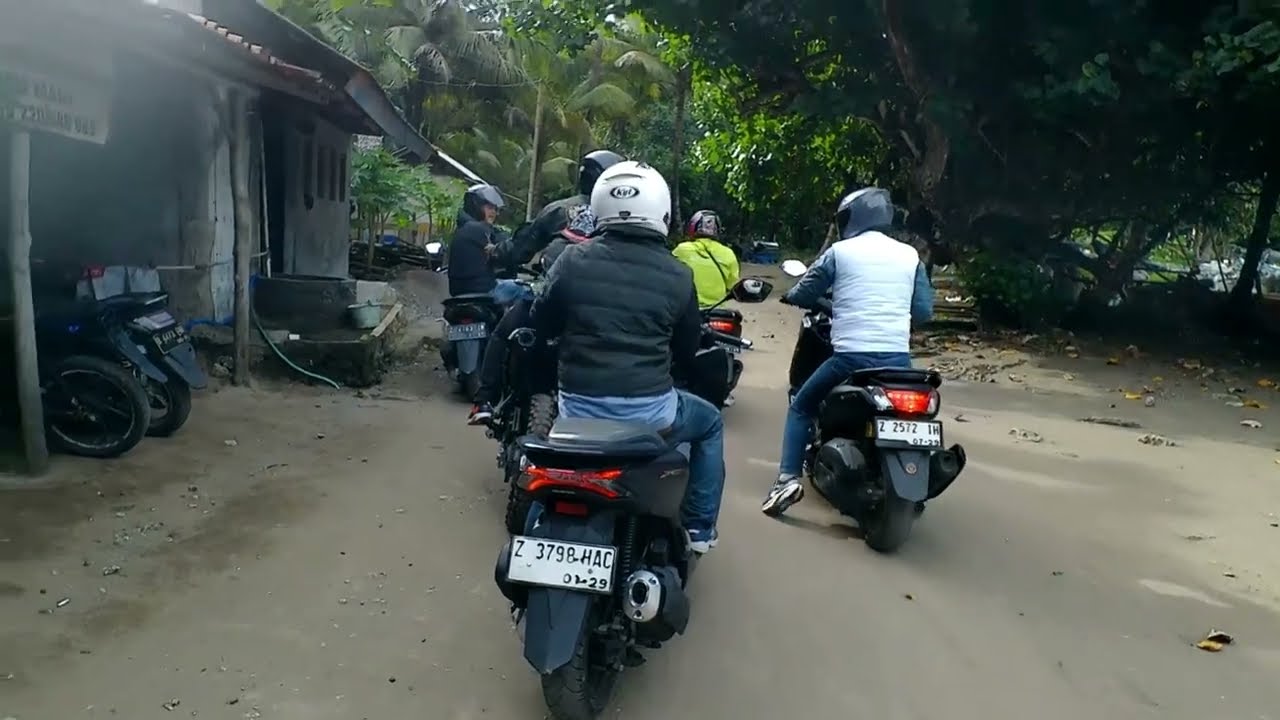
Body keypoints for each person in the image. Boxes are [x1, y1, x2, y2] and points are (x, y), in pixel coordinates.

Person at [529, 161, 726, 553]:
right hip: (650, 412)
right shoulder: (677, 274)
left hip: (578, 408)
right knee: (711, 424)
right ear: (662, 212)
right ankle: (701, 529)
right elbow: (687, 351)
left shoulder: (572, 260)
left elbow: (541, 323)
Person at [761, 187, 935, 517]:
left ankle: (786, 479)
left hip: (850, 358)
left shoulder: (839, 253)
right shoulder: (911, 256)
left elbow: (802, 292)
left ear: (850, 218)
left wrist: (803, 296)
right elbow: (924, 312)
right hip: (899, 361)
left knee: (801, 406)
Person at [467, 150, 623, 424]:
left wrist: (496, 253)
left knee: (504, 334)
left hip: (550, 297)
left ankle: (485, 401)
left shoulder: (560, 210)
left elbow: (519, 248)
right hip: (604, 305)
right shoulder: (623, 218)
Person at [446, 183, 507, 297]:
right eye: (489, 207)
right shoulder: (477, 229)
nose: (494, 212)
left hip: (460, 292)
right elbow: (504, 244)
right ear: (475, 207)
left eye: (495, 208)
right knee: (523, 292)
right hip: (481, 291)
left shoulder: (464, 227)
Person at [672, 210, 741, 309]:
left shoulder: (682, 250)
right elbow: (732, 286)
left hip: (687, 310)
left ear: (693, 226)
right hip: (717, 311)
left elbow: (668, 274)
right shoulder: (728, 253)